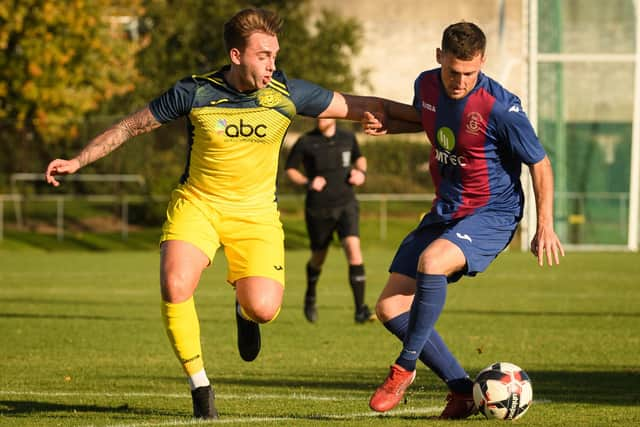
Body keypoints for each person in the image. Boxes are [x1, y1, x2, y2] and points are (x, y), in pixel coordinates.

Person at [44, 8, 416, 420]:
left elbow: (368, 105)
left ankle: (243, 313)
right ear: (237, 56)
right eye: (263, 55)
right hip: (198, 204)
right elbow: (132, 126)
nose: (272, 64)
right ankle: (200, 387)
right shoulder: (195, 91)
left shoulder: (288, 93)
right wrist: (78, 160)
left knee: (263, 309)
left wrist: (431, 122)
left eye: (275, 55)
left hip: (256, 215)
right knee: (174, 282)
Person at [363, 22, 565, 419]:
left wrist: (545, 224)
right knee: (389, 307)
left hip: (493, 213)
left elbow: (539, 163)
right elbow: (429, 120)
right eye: (453, 71)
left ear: (483, 63)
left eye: (469, 73)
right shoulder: (426, 85)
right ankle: (461, 390)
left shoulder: (501, 106)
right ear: (439, 57)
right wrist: (389, 125)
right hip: (446, 210)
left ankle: (403, 368)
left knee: (432, 262)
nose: (459, 81)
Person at [285, 118, 374, 324]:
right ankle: (310, 296)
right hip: (318, 208)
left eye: (324, 114)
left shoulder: (347, 137)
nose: (320, 118)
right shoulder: (306, 141)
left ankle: (360, 309)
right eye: (317, 115)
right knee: (319, 257)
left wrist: (361, 172)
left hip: (346, 204)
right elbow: (290, 169)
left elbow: (360, 158)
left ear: (334, 115)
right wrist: (308, 182)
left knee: (353, 249)